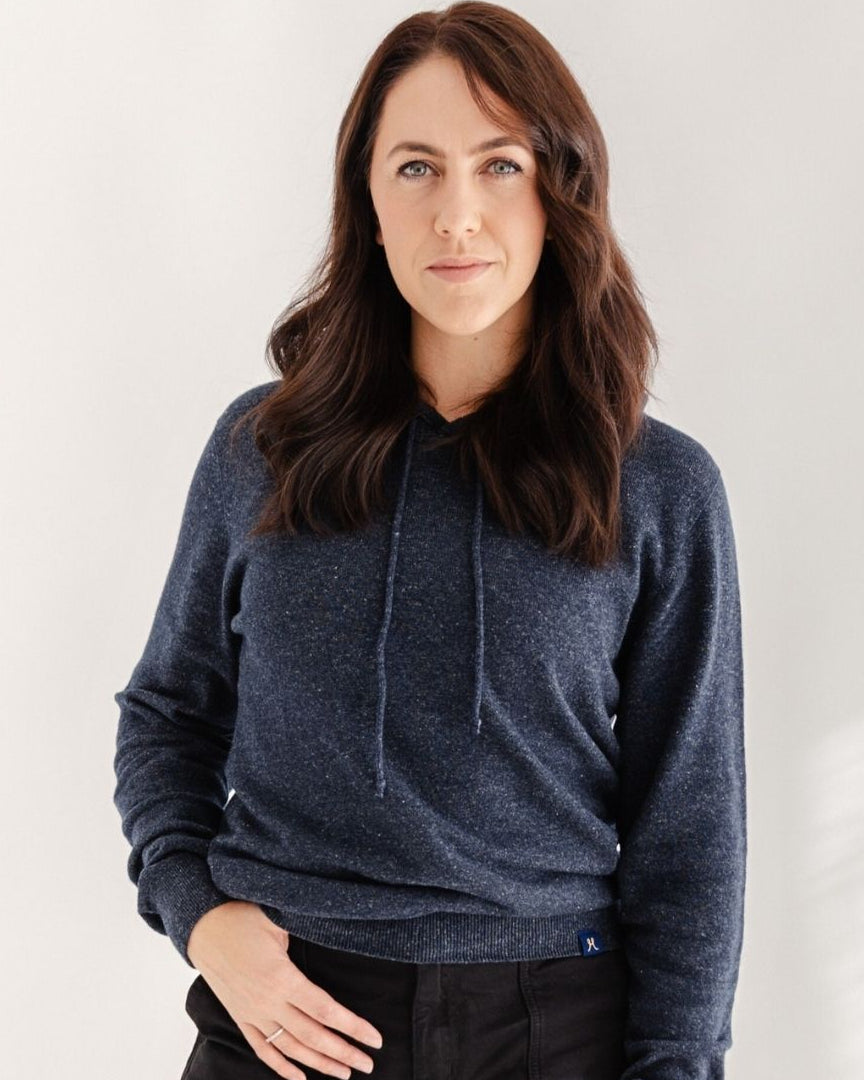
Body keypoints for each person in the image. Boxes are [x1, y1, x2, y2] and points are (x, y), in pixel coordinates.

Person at [112, 3, 747, 1079]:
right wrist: (200, 915)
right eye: (416, 169)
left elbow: (690, 833)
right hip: (284, 1019)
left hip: (555, 1026)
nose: (457, 215)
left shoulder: (658, 488)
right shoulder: (262, 449)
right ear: (367, 201)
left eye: (499, 166)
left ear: (559, 193)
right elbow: (168, 714)